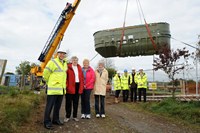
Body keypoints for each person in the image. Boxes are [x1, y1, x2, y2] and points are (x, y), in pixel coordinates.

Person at [43, 49, 67, 130]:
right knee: (49, 106)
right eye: (61, 53)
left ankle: (55, 119)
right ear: (57, 54)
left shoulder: (64, 63)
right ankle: (46, 122)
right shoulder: (52, 62)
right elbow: (46, 73)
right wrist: (47, 82)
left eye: (64, 54)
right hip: (53, 89)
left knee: (57, 106)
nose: (62, 55)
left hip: (61, 89)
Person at [64, 56, 84, 122]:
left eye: (76, 60)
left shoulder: (79, 67)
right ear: (71, 61)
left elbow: (81, 78)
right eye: (74, 60)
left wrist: (81, 86)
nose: (75, 61)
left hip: (77, 86)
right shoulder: (68, 67)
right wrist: (66, 86)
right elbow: (65, 78)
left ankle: (75, 116)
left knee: (76, 102)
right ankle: (67, 116)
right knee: (68, 102)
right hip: (70, 86)